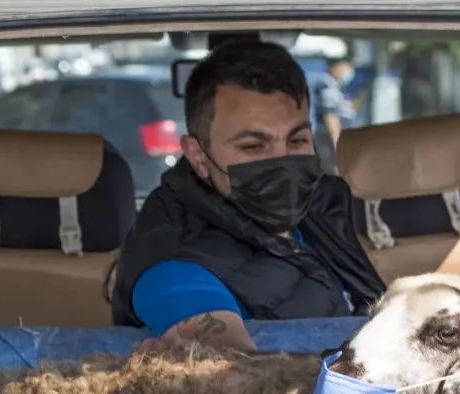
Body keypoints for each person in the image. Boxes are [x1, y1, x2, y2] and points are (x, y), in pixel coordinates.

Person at [111, 39, 385, 355]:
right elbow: (233, 371)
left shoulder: (324, 209)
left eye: (297, 140)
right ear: (198, 157)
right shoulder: (172, 263)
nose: (283, 163)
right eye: (253, 146)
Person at [311, 56, 357, 172]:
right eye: (346, 67)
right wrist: (337, 143)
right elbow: (330, 115)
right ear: (335, 67)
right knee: (332, 172)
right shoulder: (327, 85)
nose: (349, 72)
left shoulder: (336, 86)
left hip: (333, 137)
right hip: (328, 138)